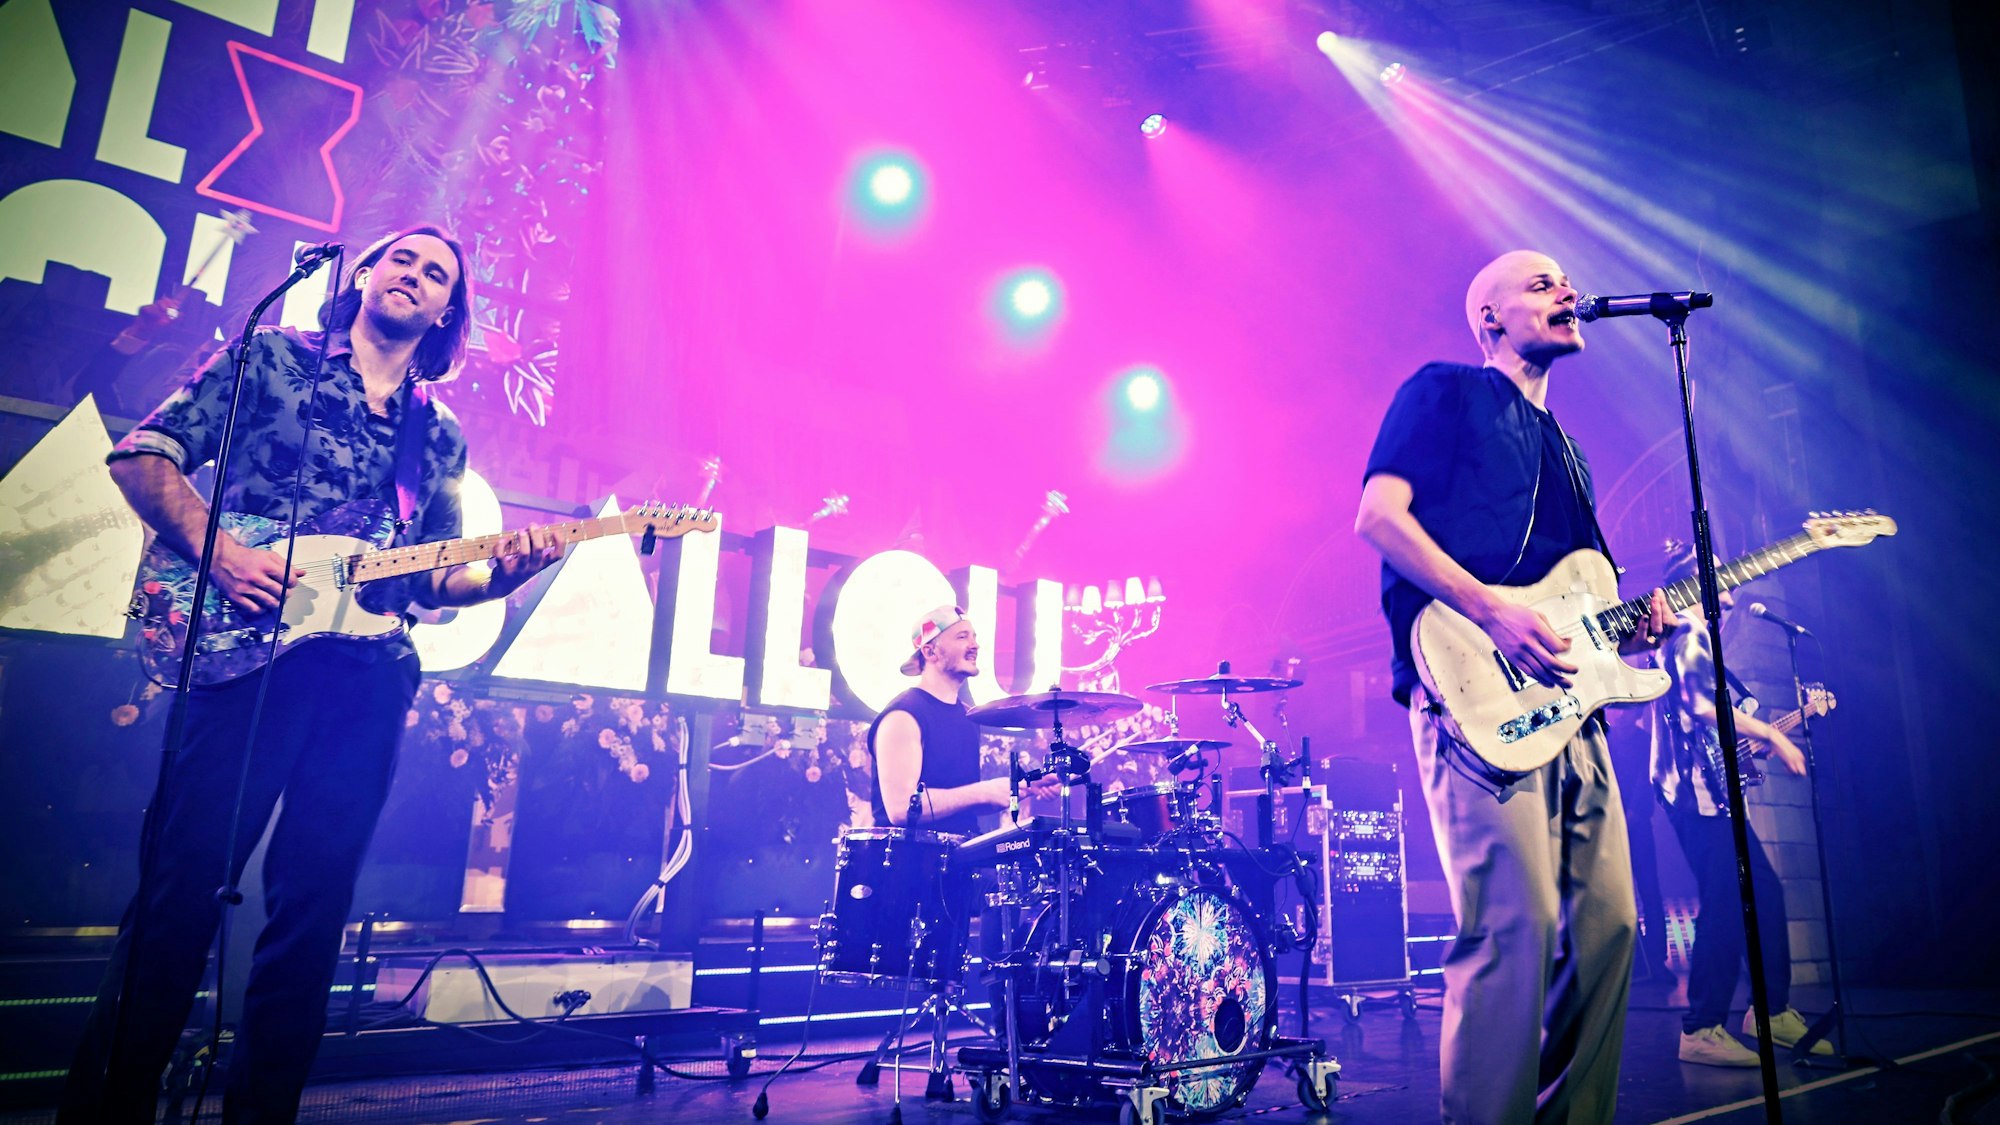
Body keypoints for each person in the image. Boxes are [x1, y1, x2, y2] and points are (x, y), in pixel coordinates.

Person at [62, 226, 565, 1122]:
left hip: (366, 677)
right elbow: (143, 454)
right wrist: (220, 554)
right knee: (180, 892)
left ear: (448, 312)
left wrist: (506, 573)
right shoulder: (271, 359)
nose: (414, 274)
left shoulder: (435, 433)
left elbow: (430, 577)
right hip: (242, 657)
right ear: (364, 273)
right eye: (400, 257)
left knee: (312, 913)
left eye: (436, 273)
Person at [1355, 250, 1671, 1123]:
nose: (1566, 291)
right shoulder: (1445, 390)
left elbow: (1585, 591)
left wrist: (1639, 623)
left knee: (1611, 927)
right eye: (1540, 284)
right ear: (1489, 318)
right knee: (1514, 927)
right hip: (1473, 698)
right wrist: (1492, 614)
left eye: (1565, 280)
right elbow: (1379, 517)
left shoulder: (1568, 450)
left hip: (1575, 707)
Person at [1649, 540, 1829, 1065]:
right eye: (1722, 579)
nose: (1731, 588)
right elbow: (1702, 708)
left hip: (1717, 793)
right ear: (1696, 581)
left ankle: (1769, 1013)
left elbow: (1715, 726)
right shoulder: (1687, 634)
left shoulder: (1703, 642)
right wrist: (1775, 737)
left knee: (1765, 896)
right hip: (1695, 799)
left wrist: (1756, 745)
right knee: (1728, 901)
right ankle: (1701, 1027)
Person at [867, 606, 1052, 836]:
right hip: (907, 864)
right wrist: (981, 791)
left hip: (957, 860)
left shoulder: (968, 716)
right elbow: (901, 808)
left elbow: (959, 804)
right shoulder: (903, 716)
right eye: (962, 637)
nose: (975, 645)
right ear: (930, 652)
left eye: (974, 637)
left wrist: (1021, 788)